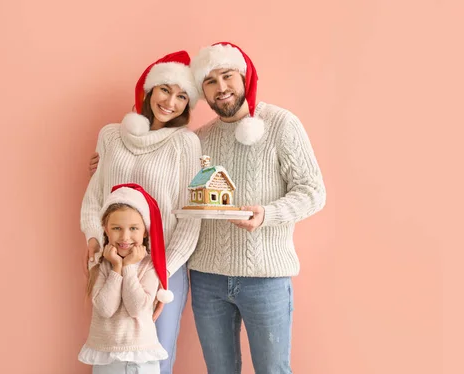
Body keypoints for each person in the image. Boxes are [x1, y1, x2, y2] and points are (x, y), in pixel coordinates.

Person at [184, 41, 327, 374]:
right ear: (202, 91)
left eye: (227, 76)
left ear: (244, 76)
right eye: (210, 81)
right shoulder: (198, 138)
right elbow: (168, 178)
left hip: (266, 278)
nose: (221, 88)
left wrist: (268, 214)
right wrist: (114, 160)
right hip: (207, 278)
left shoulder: (281, 124)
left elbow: (313, 191)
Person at [80, 51, 202, 374]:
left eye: (181, 97)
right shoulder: (110, 135)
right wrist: (94, 240)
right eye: (165, 89)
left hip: (161, 267)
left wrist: (164, 272)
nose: (170, 102)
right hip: (112, 261)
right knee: (112, 352)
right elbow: (95, 197)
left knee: (153, 359)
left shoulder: (185, 144)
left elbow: (191, 217)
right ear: (149, 90)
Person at [79, 183, 174, 374]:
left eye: (133, 228)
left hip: (142, 356)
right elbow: (105, 309)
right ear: (105, 229)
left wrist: (129, 267)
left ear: (145, 231)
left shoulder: (149, 265)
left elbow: (136, 308)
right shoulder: (100, 263)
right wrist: (116, 268)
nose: (125, 237)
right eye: (116, 228)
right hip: (107, 358)